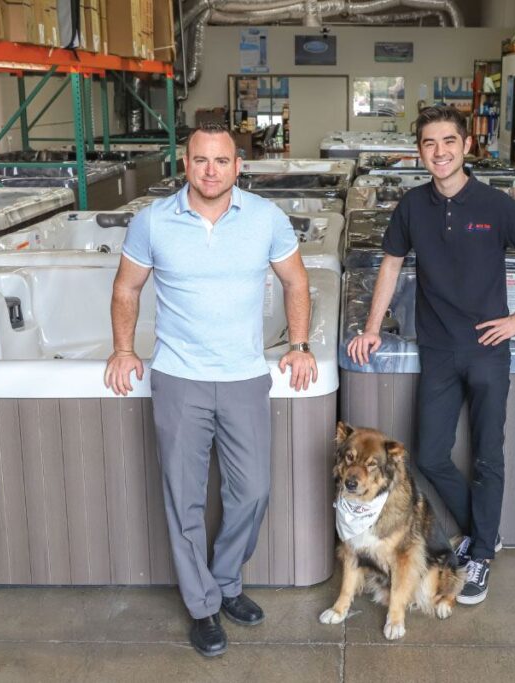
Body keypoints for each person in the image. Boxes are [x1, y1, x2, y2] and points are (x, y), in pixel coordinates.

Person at [104, 121, 317, 657]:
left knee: (253, 491)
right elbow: (126, 287)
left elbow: (296, 280)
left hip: (243, 375)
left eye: (222, 160)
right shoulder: (153, 221)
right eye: (201, 160)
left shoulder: (265, 218)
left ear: (238, 166)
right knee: (185, 499)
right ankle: (203, 606)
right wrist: (124, 350)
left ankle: (224, 581)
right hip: (180, 377)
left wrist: (299, 344)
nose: (211, 170)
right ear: (186, 164)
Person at [347, 106, 515, 605]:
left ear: (467, 146)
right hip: (440, 349)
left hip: (488, 349)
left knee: (488, 455)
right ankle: (485, 531)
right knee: (430, 454)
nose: (440, 151)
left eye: (449, 141)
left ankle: (481, 553)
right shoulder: (412, 206)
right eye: (429, 143)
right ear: (419, 151)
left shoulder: (495, 204)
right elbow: (390, 265)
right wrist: (372, 328)